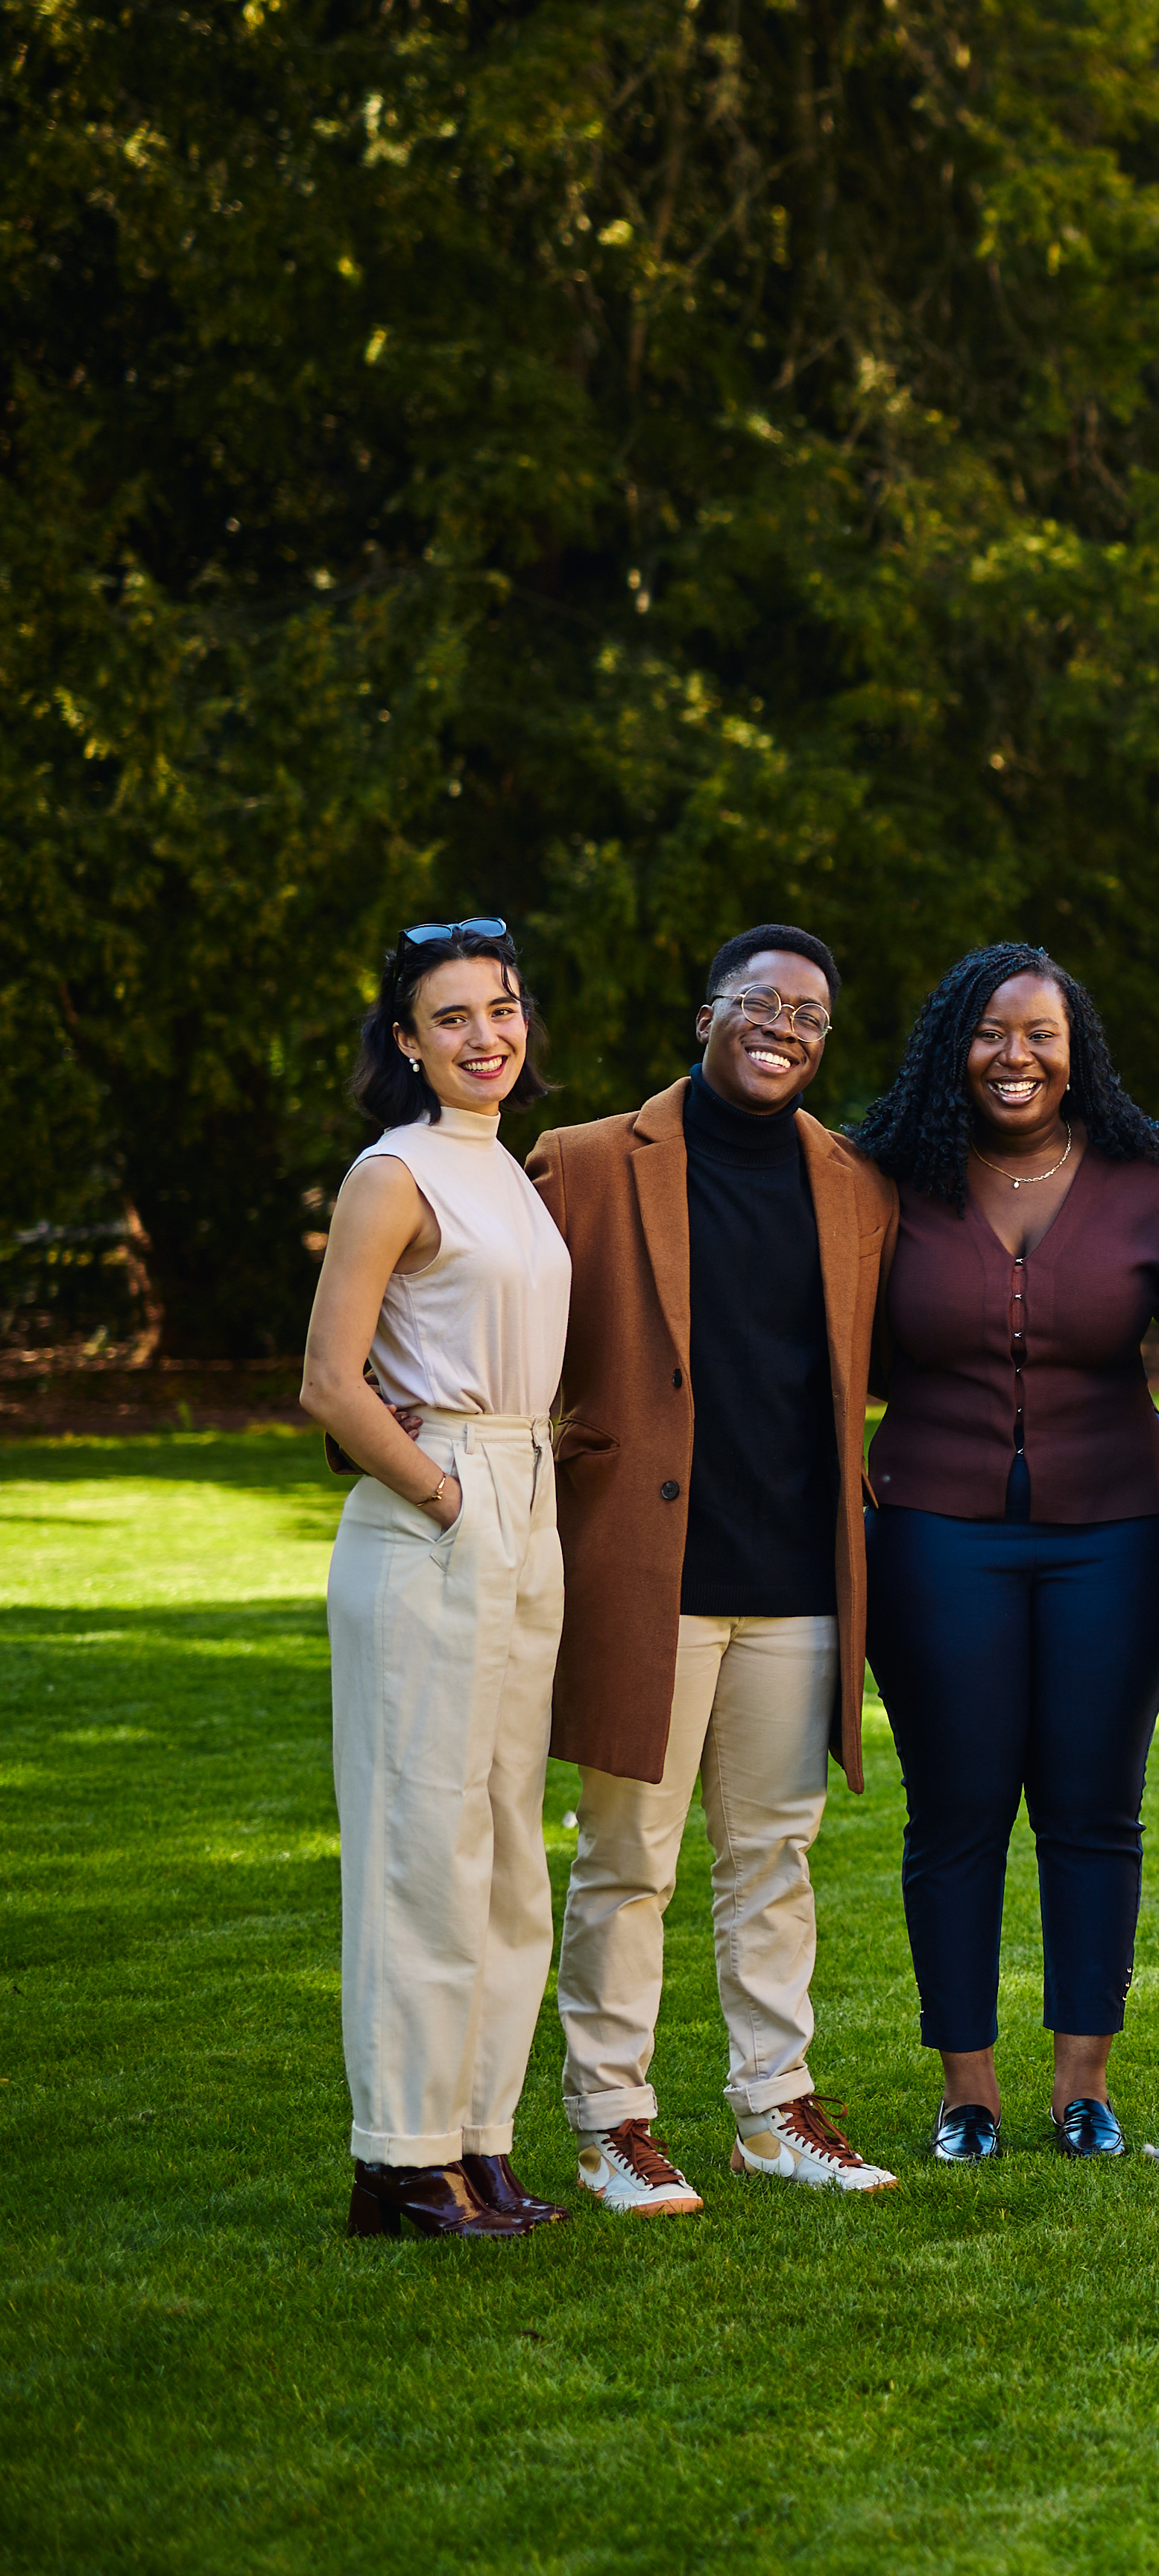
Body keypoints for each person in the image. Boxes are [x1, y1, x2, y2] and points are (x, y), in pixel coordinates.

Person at [533, 925, 903, 2211]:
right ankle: (609, 2120)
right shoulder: (584, 1162)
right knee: (628, 1855)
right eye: (760, 1000)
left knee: (773, 1855)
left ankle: (772, 2108)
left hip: (801, 1572)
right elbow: (488, 1321)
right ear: (706, 1016)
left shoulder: (856, 1182)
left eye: (810, 1012)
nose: (784, 1025)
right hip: (649, 1565)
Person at [850, 944, 1159, 2164]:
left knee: (1094, 1811)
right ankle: (968, 2092)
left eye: (1041, 1033)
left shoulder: (1153, 1186)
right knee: (955, 1810)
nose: (1016, 1055)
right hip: (935, 1536)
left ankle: (1083, 2089)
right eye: (992, 1032)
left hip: (1117, 1538)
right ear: (956, 1044)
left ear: (1076, 1047)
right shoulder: (886, 1182)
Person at [299, 919, 574, 2238]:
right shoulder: (393, 1172)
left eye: (502, 1009)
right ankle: (398, 2161)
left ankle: (479, 2139)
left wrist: (515, 1490)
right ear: (406, 1041)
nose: (486, 1037)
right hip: (436, 1517)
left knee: (511, 1846)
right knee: (424, 1841)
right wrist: (449, 1494)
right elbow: (328, 1380)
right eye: (453, 1017)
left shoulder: (510, 1171)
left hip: (530, 1506)